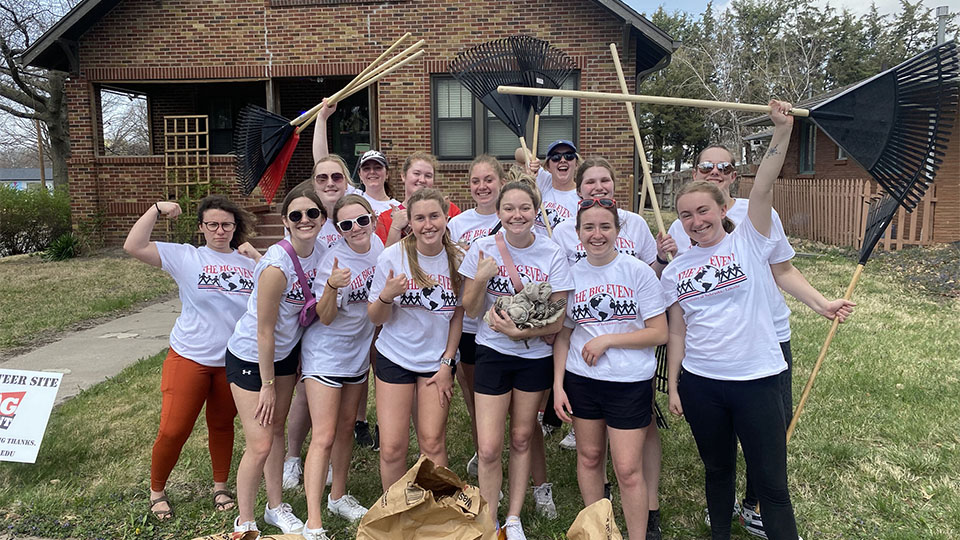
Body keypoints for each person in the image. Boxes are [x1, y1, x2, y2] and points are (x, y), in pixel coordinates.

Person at [662, 101, 851, 540]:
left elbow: (764, 185)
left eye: (704, 212)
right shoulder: (676, 266)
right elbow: (676, 329)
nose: (696, 221)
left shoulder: (749, 239)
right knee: (717, 472)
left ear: (723, 207)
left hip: (758, 376)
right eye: (687, 215)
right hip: (702, 381)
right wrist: (674, 385)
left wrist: (781, 133)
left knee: (772, 484)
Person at [123, 195, 259, 521]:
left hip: (233, 360)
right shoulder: (187, 256)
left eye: (226, 224)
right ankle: (157, 491)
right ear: (201, 227)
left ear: (235, 227)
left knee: (223, 425)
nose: (219, 230)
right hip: (190, 357)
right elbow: (134, 245)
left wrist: (257, 256)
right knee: (174, 429)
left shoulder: (250, 262)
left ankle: (220, 486)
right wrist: (156, 209)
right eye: (212, 224)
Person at [550, 157, 664, 534]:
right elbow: (564, 333)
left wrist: (609, 339)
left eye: (604, 227)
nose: (596, 234)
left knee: (628, 469)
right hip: (583, 381)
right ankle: (599, 529)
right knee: (589, 455)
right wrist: (558, 386)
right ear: (578, 233)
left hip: (629, 382)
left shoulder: (638, 272)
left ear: (618, 230)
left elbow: (659, 332)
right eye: (588, 228)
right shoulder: (570, 275)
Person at [459, 181, 574, 540]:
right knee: (490, 446)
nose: (517, 215)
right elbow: (471, 309)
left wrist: (521, 334)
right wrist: (480, 279)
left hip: (534, 357)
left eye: (525, 208)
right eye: (509, 208)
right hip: (492, 352)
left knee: (523, 437)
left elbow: (557, 319)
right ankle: (489, 518)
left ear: (536, 212)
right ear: (499, 213)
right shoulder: (481, 249)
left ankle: (513, 517)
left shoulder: (552, 252)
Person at [226, 185, 327, 536]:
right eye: (296, 215)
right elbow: (264, 332)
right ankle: (245, 518)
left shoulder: (323, 252)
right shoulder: (276, 267)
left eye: (312, 213)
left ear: (322, 218)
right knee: (260, 442)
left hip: (284, 356)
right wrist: (267, 385)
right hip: (251, 358)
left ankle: (274, 506)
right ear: (285, 221)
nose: (304, 220)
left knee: (276, 431)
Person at [367, 187, 465, 490]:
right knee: (393, 446)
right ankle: (393, 512)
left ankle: (437, 512)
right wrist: (386, 295)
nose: (428, 225)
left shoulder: (459, 259)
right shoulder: (391, 257)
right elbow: (375, 318)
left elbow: (459, 314)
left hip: (436, 363)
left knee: (433, 441)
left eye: (434, 216)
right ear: (409, 221)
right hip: (395, 357)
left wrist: (448, 363)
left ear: (446, 217)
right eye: (420, 218)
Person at [299, 194, 384, 539]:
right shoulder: (333, 260)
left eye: (361, 221)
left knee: (348, 426)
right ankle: (313, 519)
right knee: (324, 435)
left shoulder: (378, 246)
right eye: (347, 225)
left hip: (356, 354)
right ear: (339, 230)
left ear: (372, 220)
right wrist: (332, 287)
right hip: (326, 354)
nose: (356, 229)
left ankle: (338, 496)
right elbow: (326, 316)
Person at [446, 154, 505, 479]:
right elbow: (452, 274)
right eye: (476, 181)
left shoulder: (514, 215)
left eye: (488, 180)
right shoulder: (458, 224)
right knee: (474, 391)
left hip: (507, 324)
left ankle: (505, 442)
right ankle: (482, 447)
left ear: (500, 183)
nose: (482, 187)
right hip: (470, 323)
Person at [375, 152, 461, 245]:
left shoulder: (450, 209)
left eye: (428, 176)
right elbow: (383, 257)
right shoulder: (385, 218)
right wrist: (396, 227)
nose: (422, 180)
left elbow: (459, 248)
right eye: (416, 173)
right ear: (403, 176)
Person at [531, 140, 581, 235]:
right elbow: (520, 152)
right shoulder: (545, 182)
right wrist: (533, 160)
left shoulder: (582, 194)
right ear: (548, 167)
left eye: (569, 156)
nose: (562, 160)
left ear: (576, 164)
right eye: (556, 157)